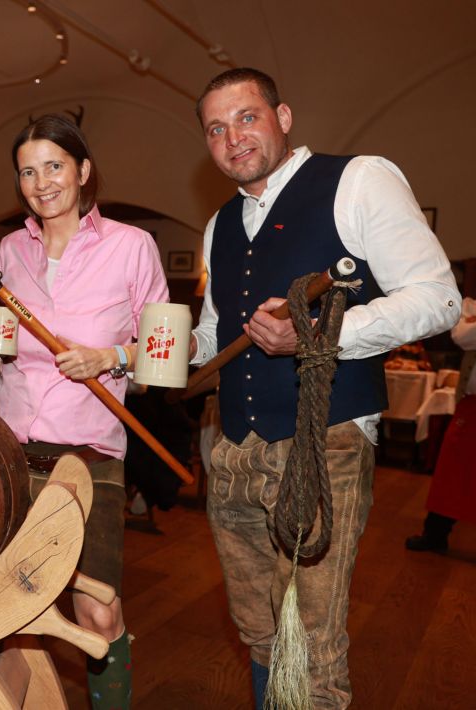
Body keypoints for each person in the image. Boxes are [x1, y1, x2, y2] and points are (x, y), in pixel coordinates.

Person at [190, 67, 461, 709]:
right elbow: (212, 334)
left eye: (247, 117)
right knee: (257, 627)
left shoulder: (359, 180)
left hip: (325, 440)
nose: (234, 137)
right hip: (234, 447)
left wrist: (317, 336)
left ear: (283, 118)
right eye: (216, 128)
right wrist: (143, 351)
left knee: (312, 643)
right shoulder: (220, 225)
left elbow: (438, 299)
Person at [0, 114, 169, 709]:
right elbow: (1, 344)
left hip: (90, 455)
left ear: (83, 171)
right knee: (3, 609)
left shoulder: (131, 245)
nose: (41, 183)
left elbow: (166, 350)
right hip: (10, 451)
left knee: (96, 608)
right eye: (28, 171)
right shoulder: (10, 249)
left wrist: (110, 356)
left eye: (55, 167)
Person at [406, 296, 476, 551]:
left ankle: (435, 534)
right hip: (472, 404)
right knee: (451, 468)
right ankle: (435, 534)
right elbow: (462, 335)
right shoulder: (470, 305)